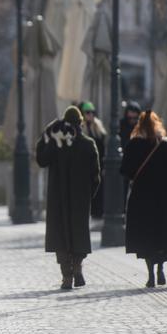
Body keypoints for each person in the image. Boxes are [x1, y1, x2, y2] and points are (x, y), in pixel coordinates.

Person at [36, 106, 100, 290]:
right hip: (80, 199)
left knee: (60, 235)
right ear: (80, 123)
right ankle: (78, 267)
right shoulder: (88, 144)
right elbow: (96, 175)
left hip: (58, 199)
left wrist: (46, 133)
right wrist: (90, 195)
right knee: (79, 232)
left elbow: (40, 159)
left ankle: (66, 276)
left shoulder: (56, 143)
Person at [121, 110, 167, 288]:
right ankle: (161, 269)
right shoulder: (164, 145)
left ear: (139, 125)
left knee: (146, 236)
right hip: (165, 196)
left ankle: (150, 273)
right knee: (162, 234)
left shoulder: (134, 144)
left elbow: (125, 170)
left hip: (142, 197)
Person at [78, 101, 106, 219]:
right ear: (83, 114)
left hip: (98, 164)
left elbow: (103, 146)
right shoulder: (81, 128)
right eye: (87, 112)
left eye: (92, 112)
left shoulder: (98, 127)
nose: (90, 115)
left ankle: (97, 211)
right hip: (85, 165)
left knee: (98, 188)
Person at [119, 101, 142, 203]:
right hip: (124, 159)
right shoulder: (121, 125)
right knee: (123, 186)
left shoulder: (140, 127)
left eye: (135, 118)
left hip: (138, 160)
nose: (132, 120)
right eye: (130, 118)